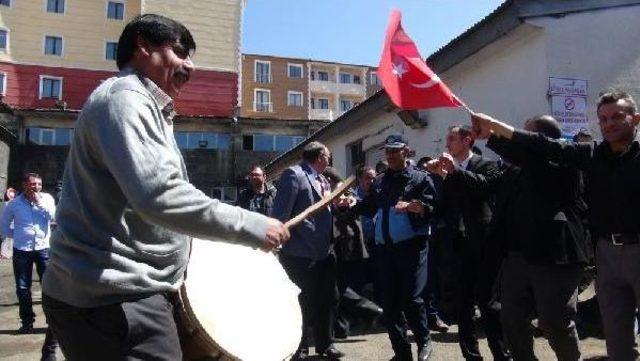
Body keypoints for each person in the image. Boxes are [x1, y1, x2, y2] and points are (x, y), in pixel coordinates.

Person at [40, 14, 289, 361]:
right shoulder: (124, 99)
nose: (190, 67)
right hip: (111, 298)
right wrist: (253, 226)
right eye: (180, 52)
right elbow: (160, 196)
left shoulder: (144, 106)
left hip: (124, 292)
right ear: (143, 46)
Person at [470, 91, 640, 360]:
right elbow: (534, 150)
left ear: (635, 119)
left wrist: (495, 130)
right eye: (604, 119)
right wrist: (492, 133)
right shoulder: (592, 154)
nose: (609, 124)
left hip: (567, 257)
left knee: (555, 322)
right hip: (606, 253)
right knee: (618, 340)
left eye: (617, 117)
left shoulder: (565, 166)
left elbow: (540, 152)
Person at [487, 115, 591, 360]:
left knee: (554, 321)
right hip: (517, 257)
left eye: (528, 135)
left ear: (542, 139)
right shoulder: (515, 171)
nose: (521, 139)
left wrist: (495, 135)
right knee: (511, 319)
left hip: (555, 257)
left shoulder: (565, 164)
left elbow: (535, 163)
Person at [349, 134, 436, 361]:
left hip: (412, 247)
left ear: (405, 151)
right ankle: (401, 352)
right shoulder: (379, 181)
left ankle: (424, 341)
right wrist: (351, 205)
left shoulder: (420, 178)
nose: (391, 155)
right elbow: (368, 207)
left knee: (412, 299)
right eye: (388, 151)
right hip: (385, 250)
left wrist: (419, 207)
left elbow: (434, 208)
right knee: (389, 304)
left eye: (395, 151)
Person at [427, 125, 510, 360]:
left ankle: (501, 354)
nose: (447, 145)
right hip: (457, 245)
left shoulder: (486, 165)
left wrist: (453, 171)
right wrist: (421, 207)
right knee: (462, 304)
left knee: (488, 303)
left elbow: (484, 188)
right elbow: (443, 208)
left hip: (484, 244)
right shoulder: (450, 174)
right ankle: (471, 355)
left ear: (467, 140)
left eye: (451, 139)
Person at [272, 141, 344, 360]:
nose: (329, 160)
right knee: (302, 301)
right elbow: (281, 213)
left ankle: (325, 344)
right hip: (299, 252)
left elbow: (323, 211)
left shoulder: (322, 179)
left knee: (328, 298)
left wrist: (339, 205)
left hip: (325, 250)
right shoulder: (294, 175)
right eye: (328, 156)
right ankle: (299, 347)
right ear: (321, 156)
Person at [0, 173, 58, 361]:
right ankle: (27, 322)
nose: (36, 187)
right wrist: (16, 236)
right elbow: (4, 225)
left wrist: (39, 202)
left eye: (39, 184)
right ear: (24, 185)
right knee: (23, 287)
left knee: (48, 286)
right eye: (33, 184)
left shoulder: (47, 198)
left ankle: (51, 320)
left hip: (43, 248)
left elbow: (53, 217)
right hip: (22, 250)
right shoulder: (14, 204)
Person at [324, 166, 383, 339]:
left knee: (339, 288)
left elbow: (350, 214)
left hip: (348, 251)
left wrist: (341, 207)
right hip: (337, 249)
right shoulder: (330, 196)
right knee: (336, 289)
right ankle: (342, 327)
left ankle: (370, 310)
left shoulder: (347, 196)